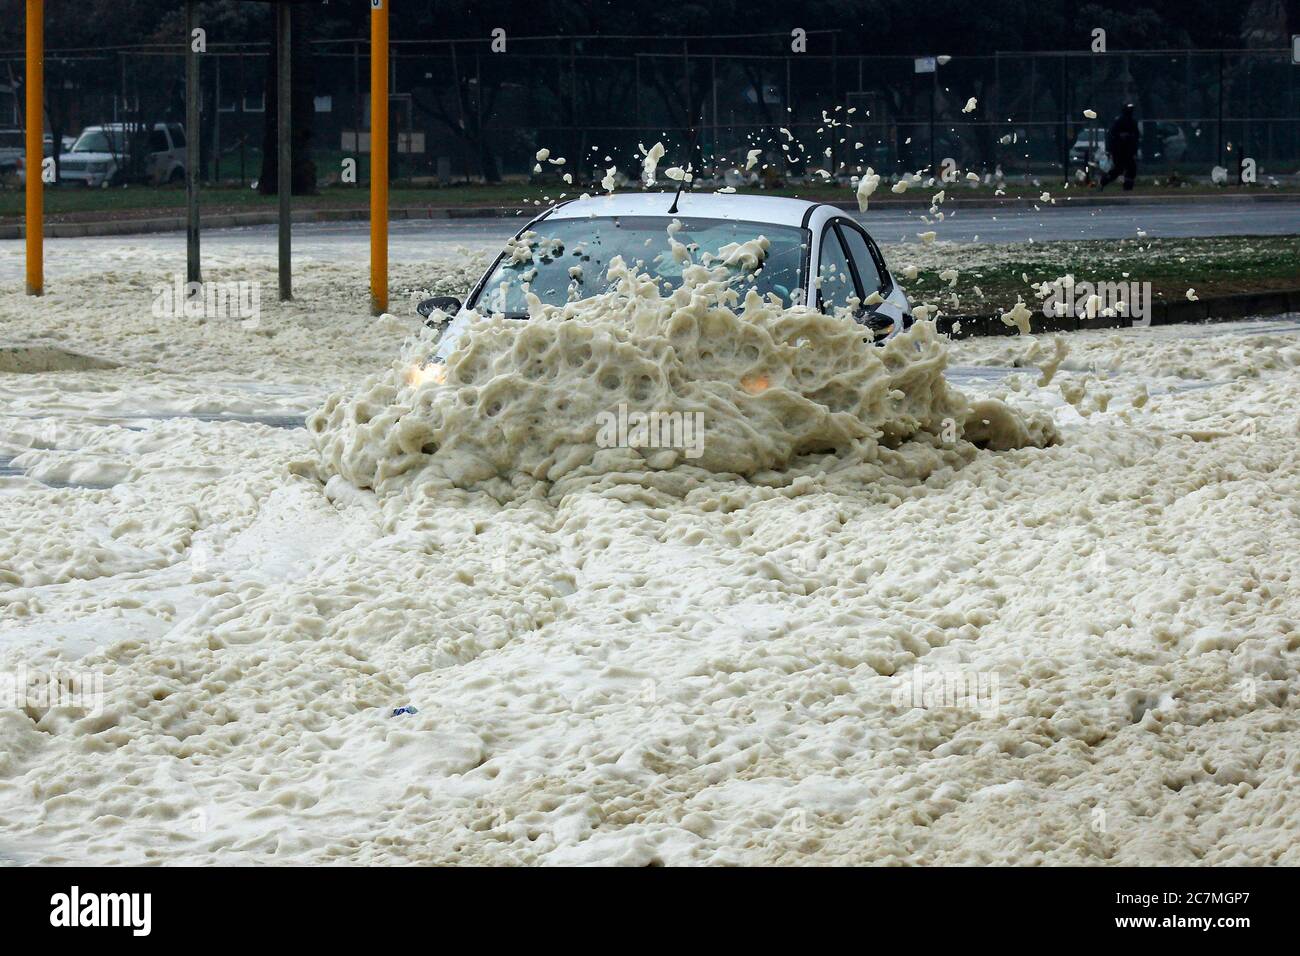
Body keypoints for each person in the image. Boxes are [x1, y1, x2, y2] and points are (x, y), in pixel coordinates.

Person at [1099, 104, 1140, 191]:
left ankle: (1128, 187)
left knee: (1131, 169)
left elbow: (1136, 136)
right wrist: (1110, 149)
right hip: (1119, 150)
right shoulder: (1119, 121)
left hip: (1129, 150)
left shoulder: (1133, 122)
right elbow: (1111, 135)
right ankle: (1104, 181)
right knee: (1118, 169)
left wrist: (1134, 148)